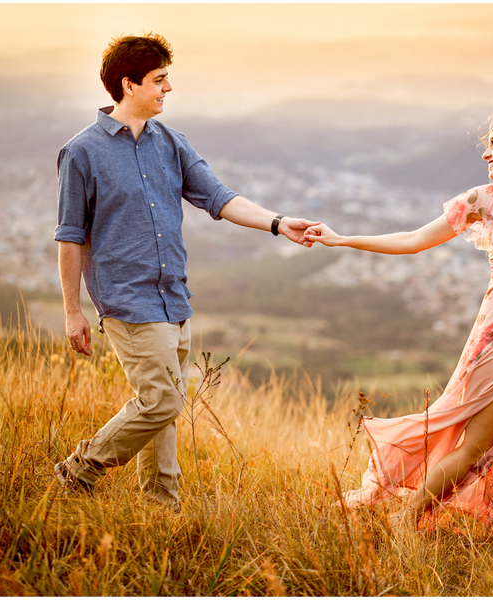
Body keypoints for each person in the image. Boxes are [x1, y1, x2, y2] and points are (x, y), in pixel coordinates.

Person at [304, 113, 493, 563]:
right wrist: (341, 240)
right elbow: (414, 239)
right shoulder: (484, 200)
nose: (486, 152)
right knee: (477, 442)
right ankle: (407, 517)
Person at [53, 33, 318, 510]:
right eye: (159, 80)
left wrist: (278, 224)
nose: (168, 88)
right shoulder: (82, 152)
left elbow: (220, 198)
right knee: (162, 401)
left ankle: (161, 508)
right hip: (126, 301)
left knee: (163, 413)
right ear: (128, 84)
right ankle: (79, 468)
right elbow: (70, 236)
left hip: (174, 298)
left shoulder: (171, 143)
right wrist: (73, 312)